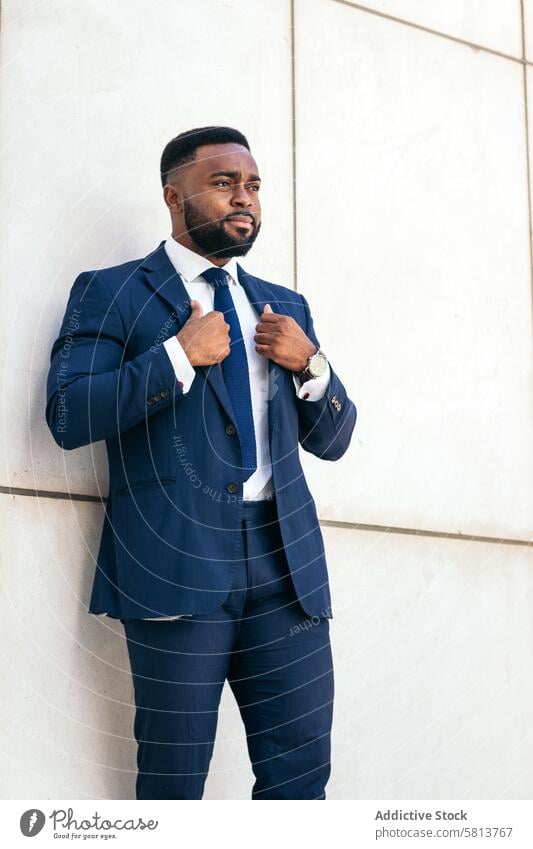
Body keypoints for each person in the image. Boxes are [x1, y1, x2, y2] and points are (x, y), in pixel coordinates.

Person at [45, 125, 357, 800]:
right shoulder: (113, 291)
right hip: (174, 561)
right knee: (174, 780)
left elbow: (333, 439)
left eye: (251, 185)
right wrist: (177, 356)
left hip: (285, 567)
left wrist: (312, 363)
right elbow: (69, 415)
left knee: (301, 776)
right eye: (222, 183)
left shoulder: (284, 305)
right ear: (173, 195)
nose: (243, 199)